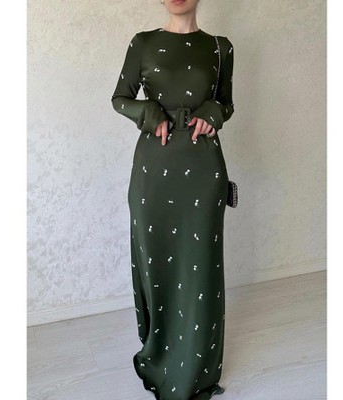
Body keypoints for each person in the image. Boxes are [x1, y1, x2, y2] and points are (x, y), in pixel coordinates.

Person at [111, 0, 234, 398]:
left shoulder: (220, 47)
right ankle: (159, 354)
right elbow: (120, 98)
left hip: (202, 171)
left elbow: (227, 102)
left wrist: (214, 111)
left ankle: (197, 368)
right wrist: (149, 113)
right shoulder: (143, 43)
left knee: (201, 268)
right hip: (153, 170)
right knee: (156, 260)